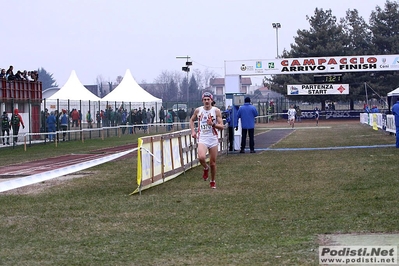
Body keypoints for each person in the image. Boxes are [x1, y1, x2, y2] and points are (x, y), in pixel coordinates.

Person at [190, 92, 224, 189]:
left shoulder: (216, 111)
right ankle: (205, 167)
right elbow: (191, 120)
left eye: (208, 99)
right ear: (202, 101)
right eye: (205, 99)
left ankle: (212, 181)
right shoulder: (198, 110)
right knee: (201, 157)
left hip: (213, 138)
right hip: (203, 138)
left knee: (213, 163)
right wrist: (193, 131)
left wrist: (213, 124)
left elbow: (222, 126)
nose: (206, 101)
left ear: (211, 100)